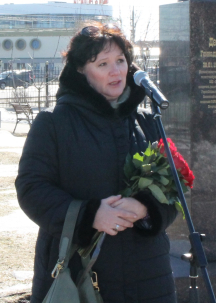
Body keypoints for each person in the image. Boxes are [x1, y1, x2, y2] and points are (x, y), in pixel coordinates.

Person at [16, 22, 177, 303]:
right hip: (80, 274)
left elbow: (176, 189)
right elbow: (31, 189)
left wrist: (145, 207)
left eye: (120, 60)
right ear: (81, 70)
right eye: (103, 64)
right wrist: (90, 216)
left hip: (147, 274)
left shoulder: (148, 123)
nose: (116, 71)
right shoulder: (54, 125)